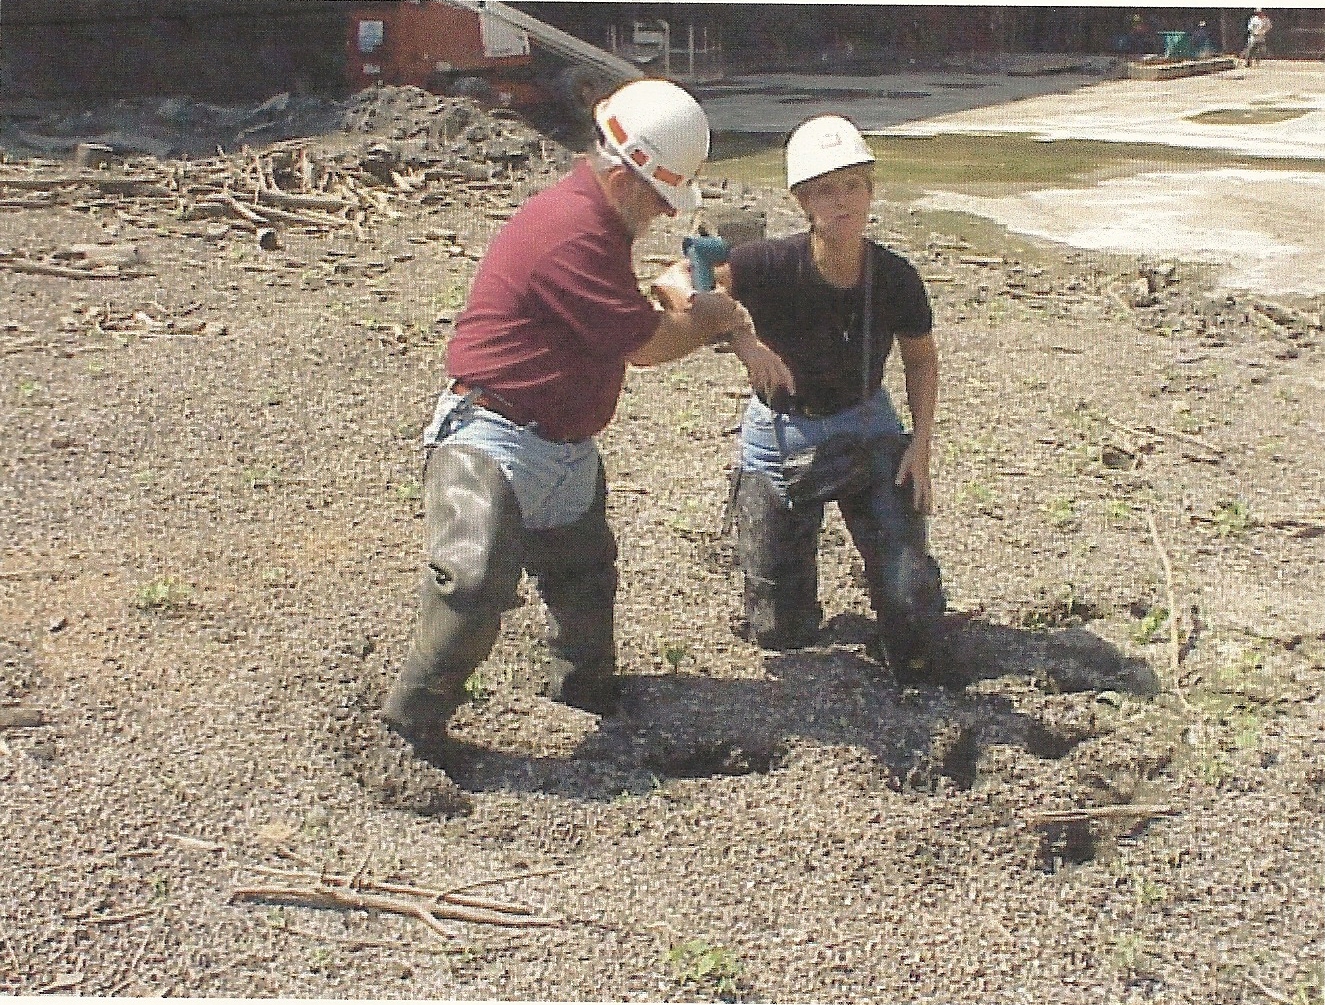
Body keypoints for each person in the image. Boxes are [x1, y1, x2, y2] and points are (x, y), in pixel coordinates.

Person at [383, 79, 772, 760]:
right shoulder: (573, 234)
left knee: (584, 577)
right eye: (658, 200)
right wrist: (706, 318)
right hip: (492, 435)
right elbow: (648, 345)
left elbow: (623, 315)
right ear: (625, 179)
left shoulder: (591, 221)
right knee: (472, 585)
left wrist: (675, 305)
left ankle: (584, 692)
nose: (657, 215)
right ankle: (405, 727)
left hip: (557, 442)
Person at [714, 115, 948, 686]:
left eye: (852, 187)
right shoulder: (765, 264)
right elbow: (682, 285)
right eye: (823, 191)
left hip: (868, 425)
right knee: (779, 631)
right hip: (781, 432)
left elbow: (920, 360)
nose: (841, 203)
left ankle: (905, 626)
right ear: (801, 201)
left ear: (870, 191)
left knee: (911, 606)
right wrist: (743, 340)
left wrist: (920, 445)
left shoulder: (895, 277)